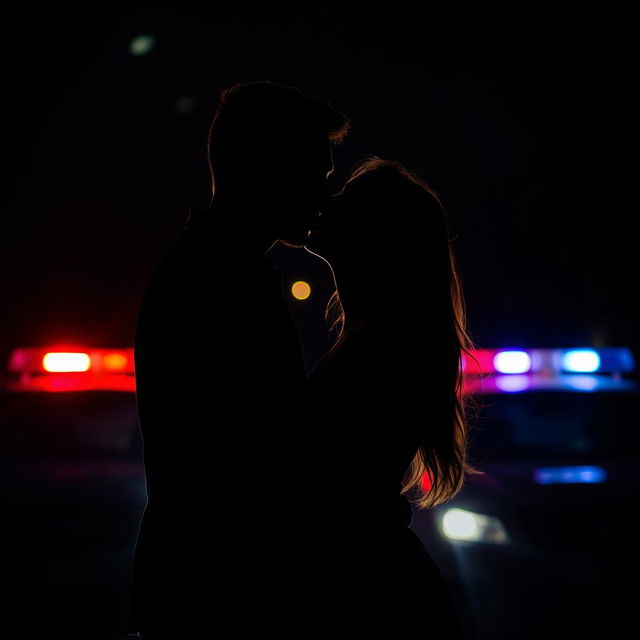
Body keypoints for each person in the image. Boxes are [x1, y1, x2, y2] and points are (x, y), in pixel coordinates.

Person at [129, 81, 348, 638]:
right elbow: (257, 453)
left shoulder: (210, 271)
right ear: (264, 167)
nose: (324, 199)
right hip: (220, 591)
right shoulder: (217, 283)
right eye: (314, 176)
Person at [304, 157, 476, 636]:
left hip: (365, 590)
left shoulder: (382, 345)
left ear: (376, 236)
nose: (325, 203)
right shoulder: (385, 337)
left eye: (347, 201)